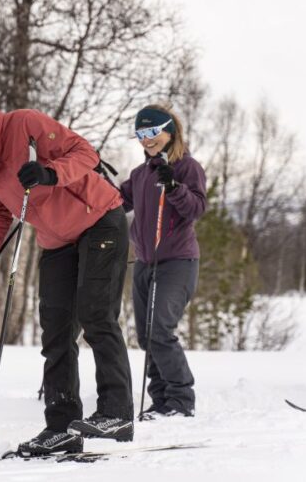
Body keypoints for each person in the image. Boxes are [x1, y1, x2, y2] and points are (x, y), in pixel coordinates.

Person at [0, 109, 134, 456]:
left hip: (99, 220)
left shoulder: (24, 125)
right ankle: (61, 426)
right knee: (55, 331)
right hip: (56, 241)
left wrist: (49, 173)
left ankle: (116, 412)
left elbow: (85, 153)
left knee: (95, 314)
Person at [119, 105, 207, 419]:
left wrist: (173, 187)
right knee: (145, 336)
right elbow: (118, 200)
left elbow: (196, 208)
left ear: (170, 131)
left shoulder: (187, 167)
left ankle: (181, 401)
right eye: (141, 134)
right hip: (144, 262)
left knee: (160, 330)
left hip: (178, 263)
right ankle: (160, 401)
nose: (147, 139)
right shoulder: (141, 174)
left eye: (153, 132)